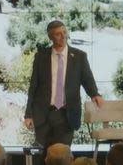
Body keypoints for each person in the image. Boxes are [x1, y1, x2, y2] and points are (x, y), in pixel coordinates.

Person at [24, 20, 104, 149]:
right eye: (58, 34)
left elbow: (87, 79)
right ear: (50, 37)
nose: (63, 36)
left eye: (64, 32)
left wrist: (95, 94)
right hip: (43, 114)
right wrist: (28, 114)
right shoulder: (41, 57)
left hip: (67, 115)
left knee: (62, 156)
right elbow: (33, 87)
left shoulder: (79, 56)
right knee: (44, 157)